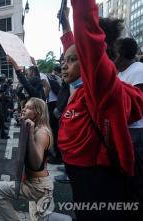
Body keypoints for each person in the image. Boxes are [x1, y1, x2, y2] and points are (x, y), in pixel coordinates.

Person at [58, 1, 143, 221]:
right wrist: (65, 26)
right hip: (81, 180)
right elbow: (75, 49)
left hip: (97, 182)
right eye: (63, 60)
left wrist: (79, 12)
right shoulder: (80, 89)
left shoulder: (99, 91)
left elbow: (87, 42)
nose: (64, 65)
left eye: (72, 60)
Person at [0, 97, 54, 221]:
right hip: (34, 183)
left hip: (38, 187)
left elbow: (36, 164)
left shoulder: (41, 132)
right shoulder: (34, 127)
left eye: (28, 108)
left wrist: (29, 134)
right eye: (24, 107)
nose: (23, 109)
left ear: (38, 113)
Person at [115, 37, 143, 217]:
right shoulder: (120, 73)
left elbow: (138, 104)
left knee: (137, 173)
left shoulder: (139, 70)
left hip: (137, 130)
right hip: (124, 128)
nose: (112, 56)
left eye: (114, 52)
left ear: (122, 54)